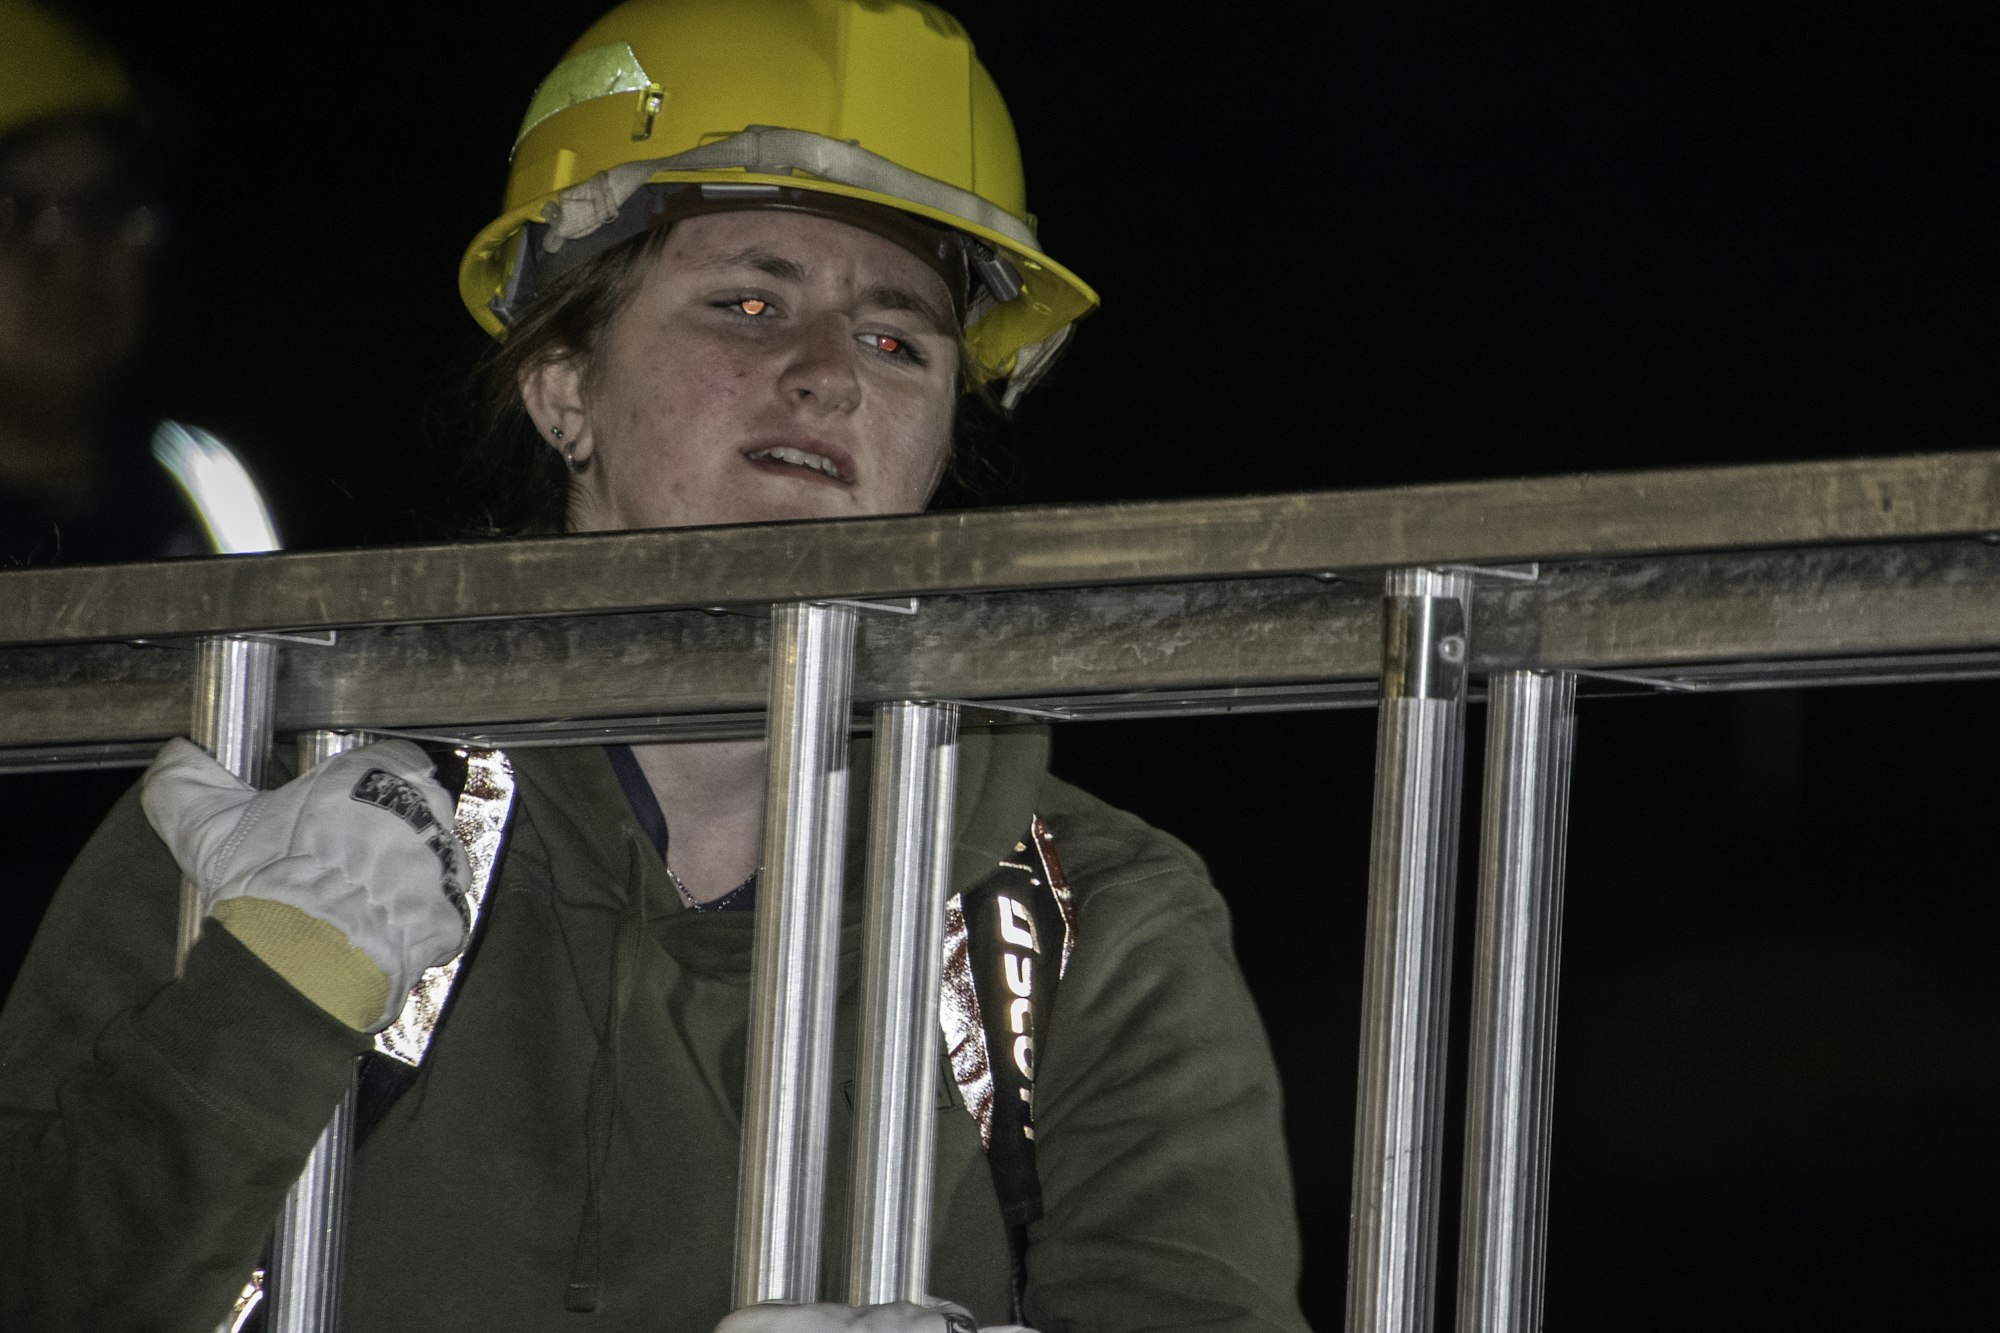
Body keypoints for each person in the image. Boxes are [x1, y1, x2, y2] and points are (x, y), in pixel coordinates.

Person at [0, 3, 1307, 1330]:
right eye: (749, 302)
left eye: (898, 335)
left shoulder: (1087, 926)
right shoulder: (279, 832)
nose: (827, 377)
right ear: (563, 386)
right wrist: (265, 997)